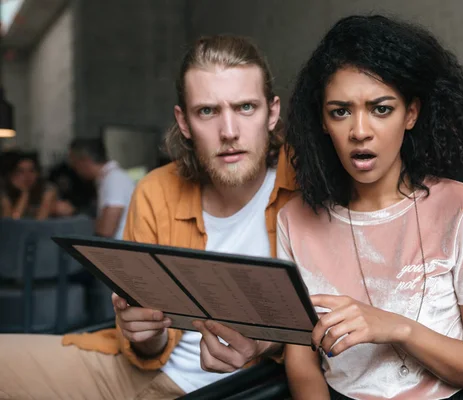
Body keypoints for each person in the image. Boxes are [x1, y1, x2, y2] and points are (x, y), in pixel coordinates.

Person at [0, 34, 295, 399]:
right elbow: (144, 344)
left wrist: (268, 345)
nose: (229, 132)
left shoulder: (307, 185)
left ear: (273, 112)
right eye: (207, 111)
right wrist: (147, 336)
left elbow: (336, 320)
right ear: (184, 122)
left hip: (234, 388)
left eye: (246, 107)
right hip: (133, 373)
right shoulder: (155, 190)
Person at [278, 15, 463, 400]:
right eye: (340, 111)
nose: (360, 131)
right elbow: (302, 361)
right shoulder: (293, 220)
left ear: (411, 113)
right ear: (322, 122)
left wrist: (398, 328)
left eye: (381, 109)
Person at [69, 138, 135, 239]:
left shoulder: (114, 179)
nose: (74, 168)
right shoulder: (107, 178)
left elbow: (107, 229)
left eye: (74, 162)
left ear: (85, 160)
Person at [0, 151, 57, 220]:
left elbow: (40, 221)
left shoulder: (47, 189)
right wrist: (24, 194)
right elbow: (10, 222)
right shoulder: (5, 191)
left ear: (38, 173)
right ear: (12, 175)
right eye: (21, 171)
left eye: (31, 171)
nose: (27, 176)